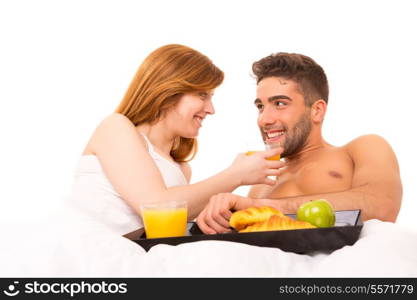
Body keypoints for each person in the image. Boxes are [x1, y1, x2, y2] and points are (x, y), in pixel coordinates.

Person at [67, 44, 282, 237]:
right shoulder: (115, 127)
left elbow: (163, 230)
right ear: (168, 91)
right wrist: (237, 175)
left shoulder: (181, 169)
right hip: (81, 247)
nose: (211, 109)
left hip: (128, 254)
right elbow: (156, 207)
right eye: (202, 95)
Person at [197, 52, 403, 234]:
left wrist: (257, 206)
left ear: (317, 110)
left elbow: (382, 206)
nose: (264, 119)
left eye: (279, 104)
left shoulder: (362, 148)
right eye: (260, 106)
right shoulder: (262, 186)